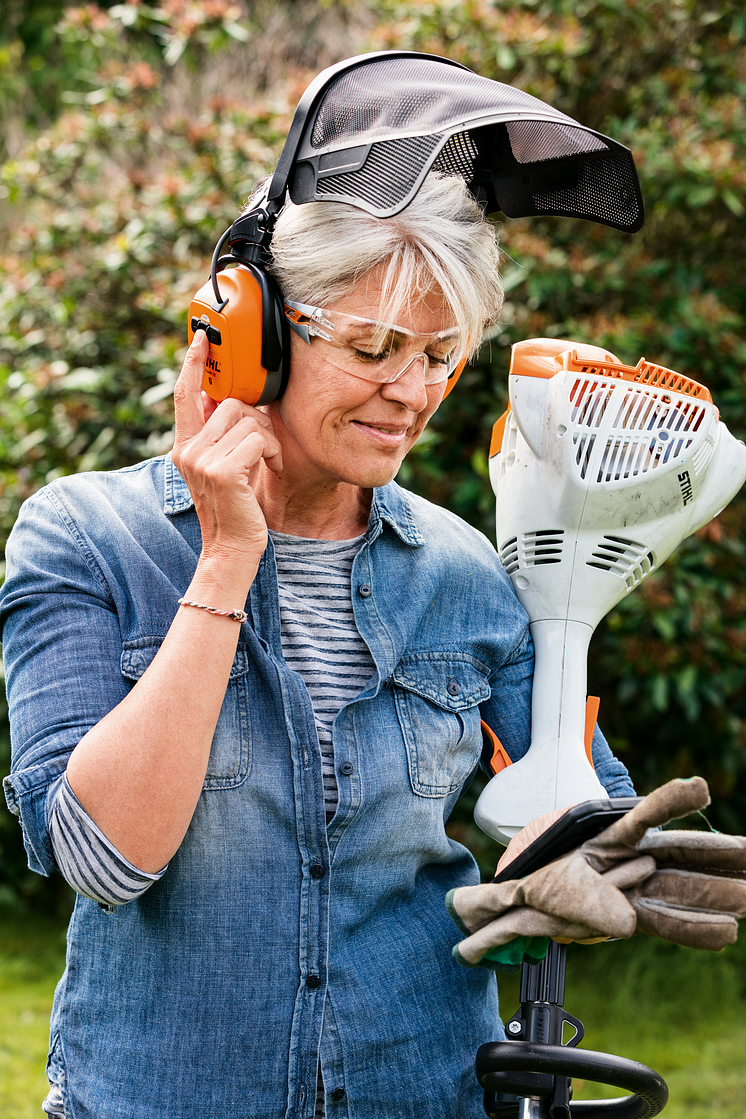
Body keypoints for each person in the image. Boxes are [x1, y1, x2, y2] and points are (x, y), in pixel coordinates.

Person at [0, 171, 634, 1119]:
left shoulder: (469, 571)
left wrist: (581, 866)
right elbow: (106, 860)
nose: (412, 392)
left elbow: (587, 803)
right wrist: (222, 565)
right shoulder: (88, 538)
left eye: (439, 354)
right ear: (247, 341)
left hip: (426, 1091)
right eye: (374, 347)